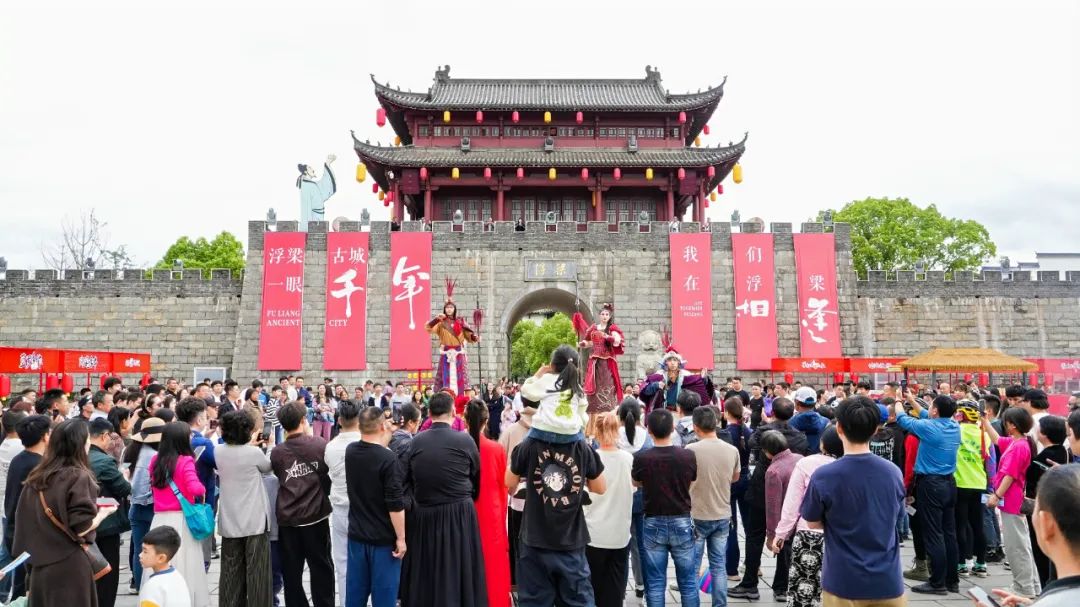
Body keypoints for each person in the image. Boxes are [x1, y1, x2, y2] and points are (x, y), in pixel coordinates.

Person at [506, 388, 605, 607]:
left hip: (535, 539)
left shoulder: (529, 445)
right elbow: (600, 486)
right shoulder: (581, 446)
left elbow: (509, 481)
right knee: (577, 601)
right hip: (571, 540)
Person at [803, 396, 906, 607]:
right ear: (875, 429)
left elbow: (812, 522)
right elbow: (897, 515)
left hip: (843, 580)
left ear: (839, 428)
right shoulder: (893, 472)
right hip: (887, 581)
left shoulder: (824, 475)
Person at [13, 419, 118, 607]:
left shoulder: (37, 477)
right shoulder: (78, 476)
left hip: (40, 568)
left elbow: (23, 527)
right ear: (80, 444)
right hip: (69, 566)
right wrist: (103, 513)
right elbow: (82, 527)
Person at [401, 391, 487, 606]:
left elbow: (406, 480)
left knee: (428, 570)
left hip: (426, 513)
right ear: (453, 412)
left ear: (429, 414)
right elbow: (476, 477)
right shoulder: (465, 440)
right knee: (460, 566)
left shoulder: (415, 442)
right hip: (460, 513)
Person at [733, 397, 809, 600]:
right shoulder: (799, 436)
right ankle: (781, 587)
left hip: (761, 490)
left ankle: (750, 583)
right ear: (792, 413)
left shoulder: (764, 431)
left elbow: (750, 443)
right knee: (786, 537)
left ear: (772, 411)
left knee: (754, 537)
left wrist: (764, 424)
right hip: (790, 492)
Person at [770, 425, 844, 607]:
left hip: (808, 537)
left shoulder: (806, 463)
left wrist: (781, 534)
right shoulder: (852, 467)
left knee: (803, 593)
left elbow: (792, 504)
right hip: (842, 537)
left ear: (822, 443)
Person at [270, 401, 334, 607]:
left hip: (288, 518)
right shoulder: (319, 444)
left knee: (292, 571)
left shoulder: (278, 452)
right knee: (321, 567)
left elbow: (279, 476)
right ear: (303, 420)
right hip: (316, 515)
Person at [897, 392, 962, 595]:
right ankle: (952, 580)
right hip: (949, 483)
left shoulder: (928, 428)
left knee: (934, 534)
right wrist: (911, 400)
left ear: (935, 411)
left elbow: (902, 418)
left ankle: (937, 582)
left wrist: (898, 401)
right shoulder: (954, 426)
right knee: (949, 533)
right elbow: (926, 414)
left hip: (930, 484)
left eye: (932, 406)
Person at [633, 409, 698, 607]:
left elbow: (636, 482)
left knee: (654, 583)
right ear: (672, 429)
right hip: (682, 519)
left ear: (649, 430)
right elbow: (691, 481)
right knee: (688, 582)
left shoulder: (642, 457)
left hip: (653, 520)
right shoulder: (687, 455)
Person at [344, 407, 406, 607]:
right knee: (384, 597)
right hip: (383, 539)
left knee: (355, 595)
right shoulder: (389, 459)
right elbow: (395, 504)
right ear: (381, 426)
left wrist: (385, 431)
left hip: (357, 534)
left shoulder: (351, 451)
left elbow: (374, 450)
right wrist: (401, 538)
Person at [982, 406, 1042, 598]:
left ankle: (1022, 587)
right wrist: (985, 422)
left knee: (1016, 546)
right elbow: (997, 440)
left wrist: (997, 495)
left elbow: (1010, 475)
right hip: (1013, 500)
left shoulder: (1019, 446)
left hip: (1011, 500)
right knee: (1022, 544)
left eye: (1006, 422)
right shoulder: (1019, 442)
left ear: (1012, 425)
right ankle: (1031, 585)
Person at [148, 422, 209, 607]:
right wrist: (203, 488)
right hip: (181, 519)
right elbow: (195, 488)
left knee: (160, 562)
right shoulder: (185, 461)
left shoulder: (155, 460)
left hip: (159, 519)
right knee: (185, 565)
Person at [216, 410, 273, 607]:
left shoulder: (218, 451)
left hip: (230, 519)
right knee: (258, 573)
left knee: (231, 572)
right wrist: (268, 446)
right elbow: (267, 467)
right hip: (254, 519)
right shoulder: (254, 453)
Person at [686, 406, 741, 607]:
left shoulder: (690, 450)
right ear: (716, 423)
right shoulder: (732, 450)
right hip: (722, 513)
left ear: (695, 426)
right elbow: (735, 478)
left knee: (692, 567)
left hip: (697, 514)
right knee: (718, 566)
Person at [582, 412, 634, 607]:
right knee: (615, 588)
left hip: (593, 532)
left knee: (593, 587)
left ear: (596, 430)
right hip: (620, 532)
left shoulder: (590, 458)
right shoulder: (628, 459)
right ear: (617, 429)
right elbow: (633, 489)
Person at [465, 399, 511, 607]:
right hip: (491, 511)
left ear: (466, 420)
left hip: (465, 511)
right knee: (493, 564)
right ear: (486, 420)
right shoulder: (496, 449)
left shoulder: (458, 446)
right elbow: (504, 486)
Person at [3, 414, 50, 599]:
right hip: (29, 535)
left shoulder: (19, 459)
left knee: (21, 585)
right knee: (27, 588)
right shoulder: (38, 466)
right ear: (45, 436)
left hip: (14, 529)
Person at [89, 418, 132, 607]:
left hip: (83, 522)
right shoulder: (104, 461)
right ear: (105, 436)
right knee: (107, 574)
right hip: (106, 523)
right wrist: (124, 477)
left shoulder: (76, 456)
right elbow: (124, 489)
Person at [324, 399, 362, 603]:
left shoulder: (330, 447)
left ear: (339, 420)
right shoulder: (368, 443)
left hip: (340, 509)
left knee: (342, 562)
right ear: (360, 419)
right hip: (365, 509)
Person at [1027, 416, 1070, 586]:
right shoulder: (1064, 451)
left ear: (1044, 433)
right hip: (1058, 509)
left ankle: (1047, 588)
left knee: (1042, 555)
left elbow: (1032, 481)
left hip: (1043, 510)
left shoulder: (1044, 458)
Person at [498, 396, 537, 588]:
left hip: (517, 498)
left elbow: (500, 467)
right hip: (547, 501)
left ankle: (517, 583)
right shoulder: (553, 433)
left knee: (518, 544)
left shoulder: (510, 432)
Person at [174, 398, 218, 565]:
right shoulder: (202, 443)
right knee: (200, 553)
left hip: (177, 500)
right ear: (199, 420)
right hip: (200, 502)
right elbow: (217, 463)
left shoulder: (173, 439)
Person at [616, 397, 651, 599]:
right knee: (641, 545)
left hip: (618, 497)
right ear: (639, 415)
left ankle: (618, 589)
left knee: (619, 544)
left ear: (619, 416)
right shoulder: (647, 438)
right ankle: (641, 585)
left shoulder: (612, 438)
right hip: (642, 497)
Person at [520, 344, 589, 442]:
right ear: (576, 368)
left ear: (552, 365)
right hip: (570, 434)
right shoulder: (576, 386)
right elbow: (582, 410)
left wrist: (538, 374)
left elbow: (526, 391)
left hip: (543, 430)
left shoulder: (547, 380)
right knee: (585, 446)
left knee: (522, 447)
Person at [953, 401, 991, 578]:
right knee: (978, 525)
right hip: (979, 484)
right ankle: (981, 563)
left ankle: (961, 564)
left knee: (960, 525)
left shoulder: (956, 431)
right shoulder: (984, 434)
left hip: (960, 483)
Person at [426, 283, 479, 396]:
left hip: (459, 354)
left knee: (462, 379)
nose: (449, 309)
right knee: (444, 379)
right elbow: (428, 328)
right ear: (444, 309)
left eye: (451, 307)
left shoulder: (460, 321)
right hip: (446, 354)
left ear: (454, 309)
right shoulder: (440, 323)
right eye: (447, 307)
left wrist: (474, 337)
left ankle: (462, 399)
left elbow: (468, 335)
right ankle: (444, 398)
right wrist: (436, 319)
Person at [574, 303, 625, 415]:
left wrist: (607, 337)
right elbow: (589, 342)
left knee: (607, 381)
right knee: (594, 383)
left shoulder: (612, 328)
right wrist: (582, 344)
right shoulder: (593, 328)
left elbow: (617, 341)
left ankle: (607, 406)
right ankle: (593, 407)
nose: (605, 316)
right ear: (599, 315)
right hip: (594, 361)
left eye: (607, 314)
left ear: (609, 317)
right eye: (603, 314)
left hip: (607, 361)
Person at [722, 397, 753, 583]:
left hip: (730, 481)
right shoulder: (748, 432)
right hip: (746, 479)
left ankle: (731, 569)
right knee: (749, 525)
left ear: (726, 413)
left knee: (731, 525)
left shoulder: (725, 434)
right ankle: (753, 565)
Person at [138, 525, 193, 607]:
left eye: (145, 552)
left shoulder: (152, 586)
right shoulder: (178, 577)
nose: (140, 555)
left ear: (161, 558)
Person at [789, 386, 829, 454]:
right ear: (815, 402)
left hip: (798, 459)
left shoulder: (790, 423)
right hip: (820, 458)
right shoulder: (826, 422)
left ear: (796, 402)